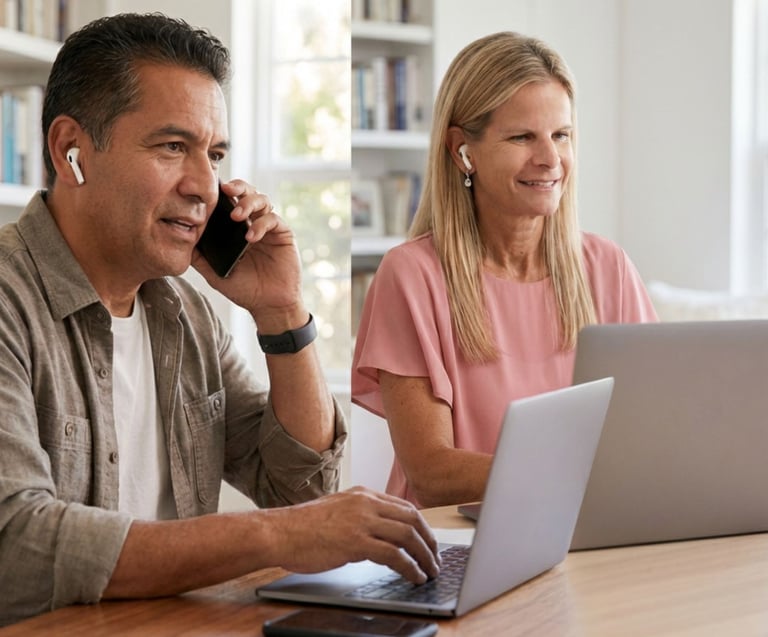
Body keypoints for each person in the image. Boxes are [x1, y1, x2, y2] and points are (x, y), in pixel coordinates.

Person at [0, 13, 439, 627]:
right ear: (70, 148)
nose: (205, 185)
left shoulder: (185, 312)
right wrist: (272, 537)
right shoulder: (8, 302)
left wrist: (282, 312)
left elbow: (303, 492)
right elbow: (16, 542)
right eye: (173, 147)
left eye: (216, 154)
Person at [352, 31, 658, 509]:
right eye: (522, 137)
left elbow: (653, 430)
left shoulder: (608, 269)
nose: (550, 159)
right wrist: (576, 474)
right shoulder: (412, 275)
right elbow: (431, 470)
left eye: (561, 135)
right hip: (453, 549)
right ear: (462, 151)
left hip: (584, 532)